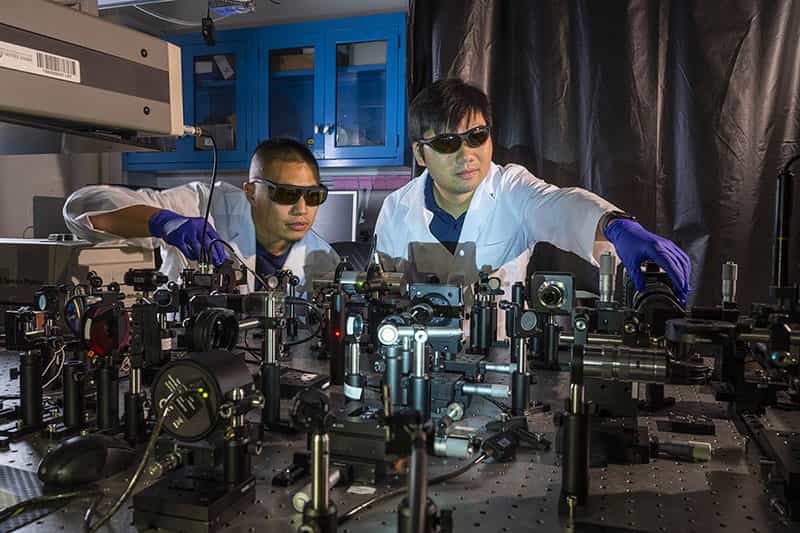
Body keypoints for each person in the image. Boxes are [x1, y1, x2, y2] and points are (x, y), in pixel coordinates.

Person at [375, 78, 691, 306]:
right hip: (411, 370)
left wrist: (616, 226)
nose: (466, 154)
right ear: (419, 153)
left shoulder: (511, 188)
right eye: (446, 142)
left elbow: (562, 208)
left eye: (476, 136)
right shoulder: (395, 209)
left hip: (499, 372)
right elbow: (379, 290)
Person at [63, 138, 340, 292]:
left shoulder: (323, 261)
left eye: (314, 196)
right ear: (251, 192)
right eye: (287, 194)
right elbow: (81, 208)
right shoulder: (203, 204)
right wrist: (165, 223)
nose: (301, 208)